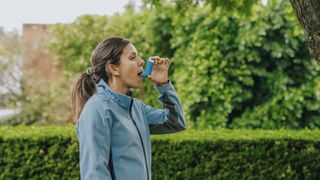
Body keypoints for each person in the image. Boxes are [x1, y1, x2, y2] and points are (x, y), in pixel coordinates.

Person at [71, 37, 186, 180]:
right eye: (132, 57)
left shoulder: (136, 108)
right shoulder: (97, 109)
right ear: (114, 68)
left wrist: (163, 86)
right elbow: (94, 173)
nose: (142, 61)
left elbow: (175, 122)